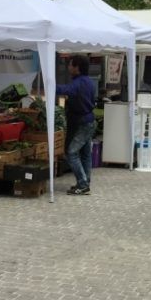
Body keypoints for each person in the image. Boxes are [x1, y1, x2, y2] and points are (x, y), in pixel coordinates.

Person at [56, 55, 96, 195]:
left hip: (82, 122)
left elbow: (66, 90)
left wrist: (50, 86)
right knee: (85, 154)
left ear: (77, 67)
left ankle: (83, 183)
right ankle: (85, 181)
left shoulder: (79, 83)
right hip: (89, 121)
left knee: (71, 153)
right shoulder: (89, 82)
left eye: (70, 64)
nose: (68, 67)